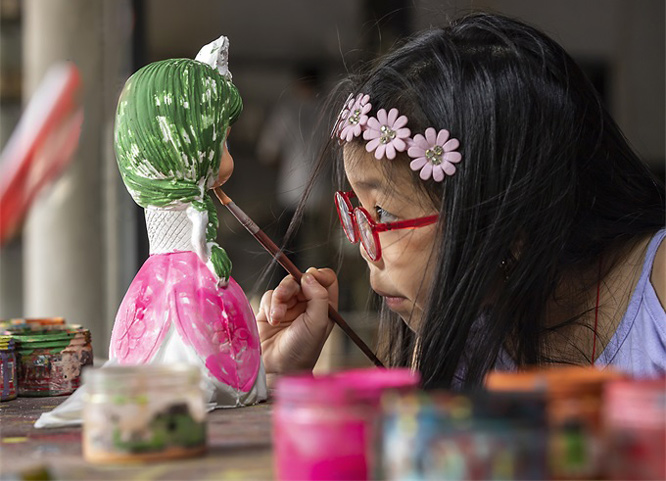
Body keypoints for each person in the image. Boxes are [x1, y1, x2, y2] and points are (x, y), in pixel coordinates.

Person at [256, 13, 665, 390]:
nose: (366, 247)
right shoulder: (459, 336)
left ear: (505, 213)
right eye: (357, 211)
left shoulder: (656, 291)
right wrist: (284, 376)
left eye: (384, 213)